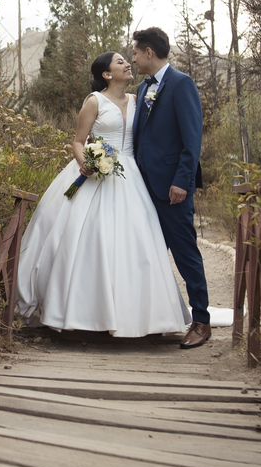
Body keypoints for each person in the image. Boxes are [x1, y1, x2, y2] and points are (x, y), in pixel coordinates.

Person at [16, 51, 191, 337]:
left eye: (127, 59)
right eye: (120, 61)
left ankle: (142, 315)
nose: (127, 63)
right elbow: (77, 141)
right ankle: (83, 313)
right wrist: (86, 163)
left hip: (131, 177)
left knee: (137, 243)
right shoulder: (94, 101)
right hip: (96, 176)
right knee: (89, 240)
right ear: (107, 74)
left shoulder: (139, 100)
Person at [130, 27, 211, 349]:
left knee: (185, 253)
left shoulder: (181, 84)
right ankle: (153, 319)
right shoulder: (142, 87)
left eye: (135, 53)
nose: (133, 58)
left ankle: (201, 321)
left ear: (149, 52)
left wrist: (182, 182)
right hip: (143, 189)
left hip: (173, 188)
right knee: (148, 254)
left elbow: (192, 140)